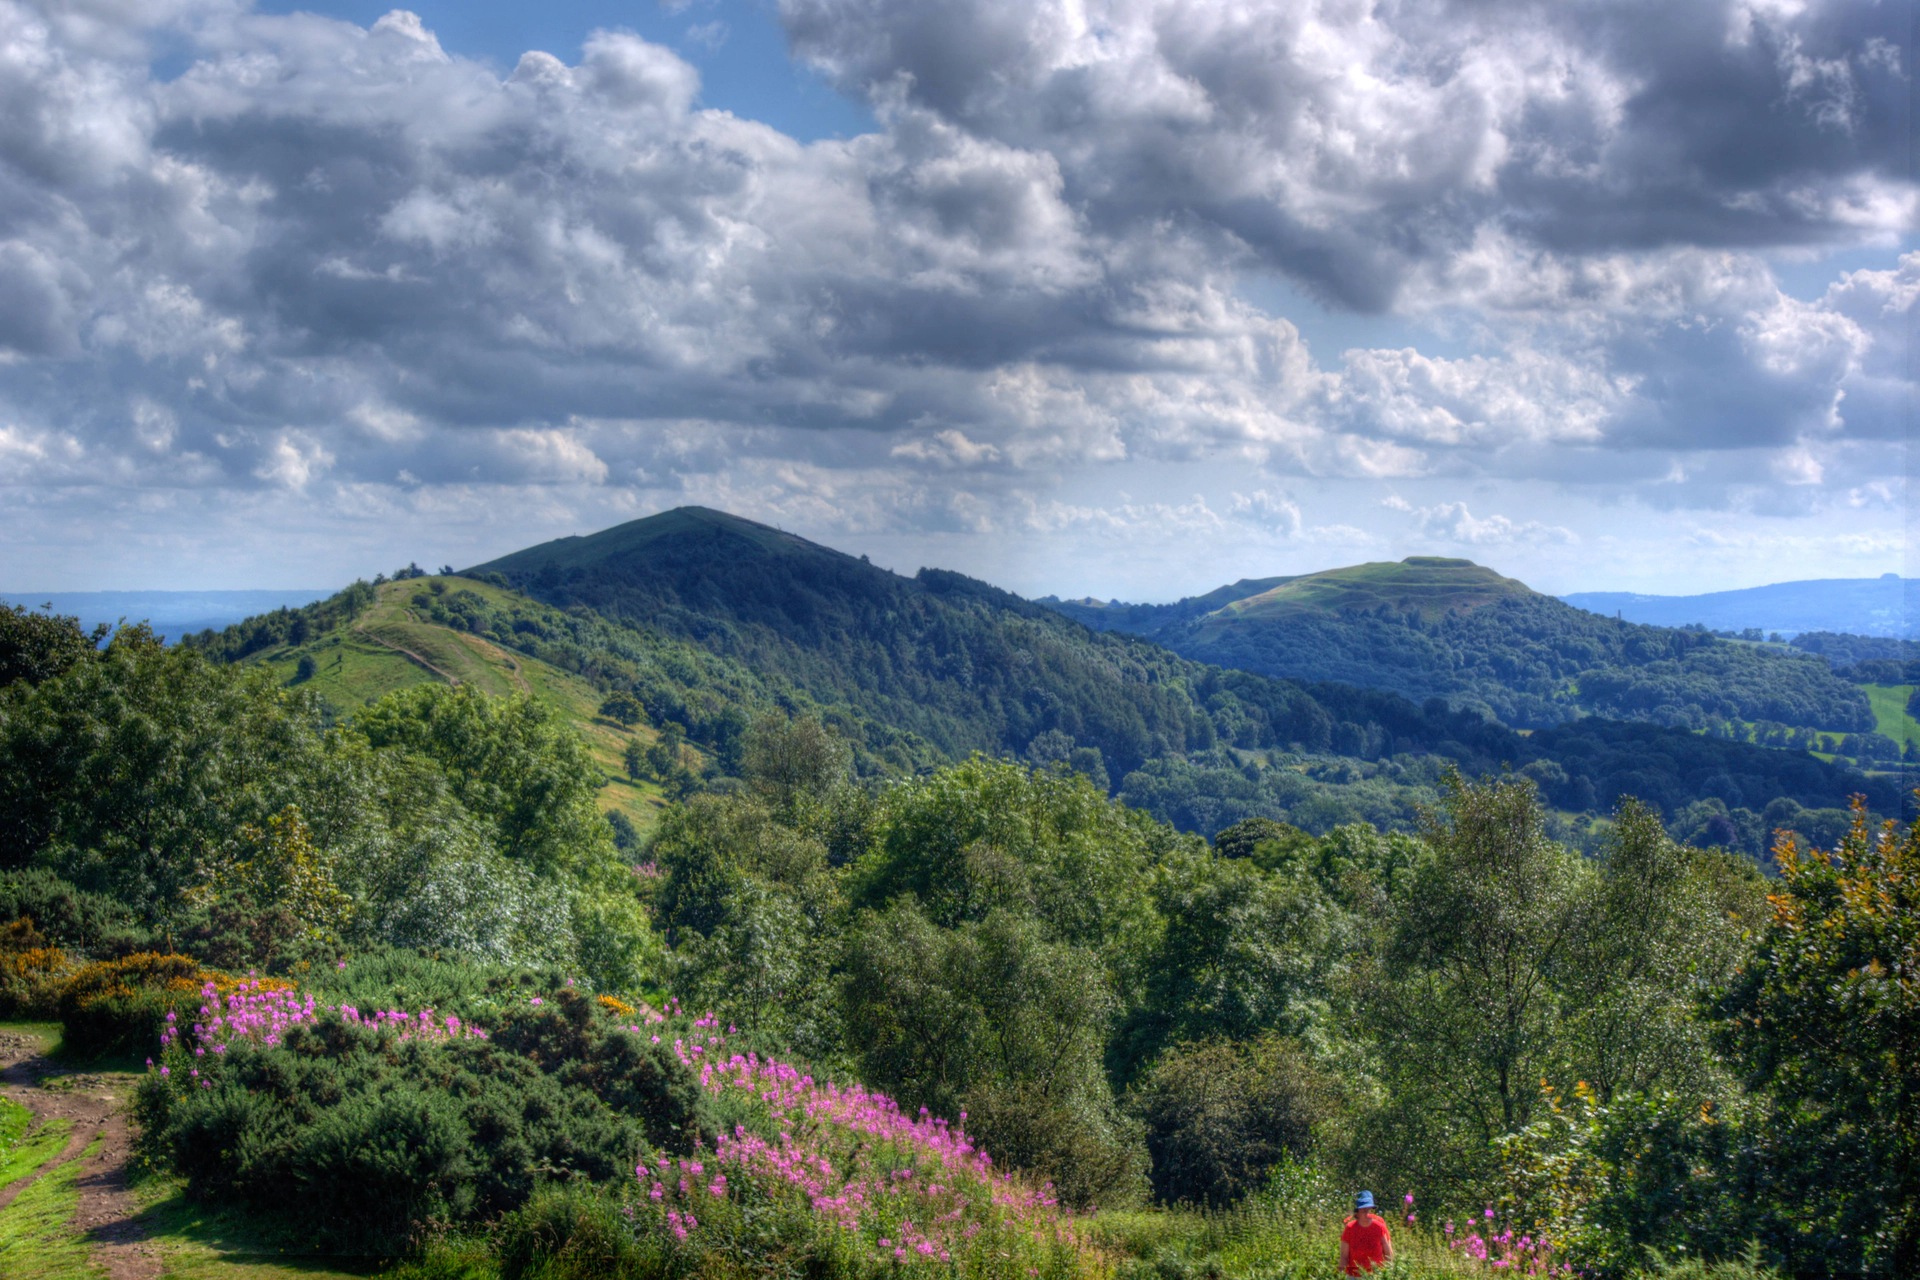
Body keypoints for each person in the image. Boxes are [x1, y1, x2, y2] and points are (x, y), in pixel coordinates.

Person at [1339, 1191, 1394, 1276]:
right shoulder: (1350, 1228)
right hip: (1354, 1275)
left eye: (1369, 1210)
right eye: (1364, 1211)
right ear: (1358, 1213)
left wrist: (1389, 1273)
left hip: (1375, 1275)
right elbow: (1344, 1256)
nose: (1367, 1213)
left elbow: (1388, 1253)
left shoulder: (1379, 1227)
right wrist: (1340, 1274)